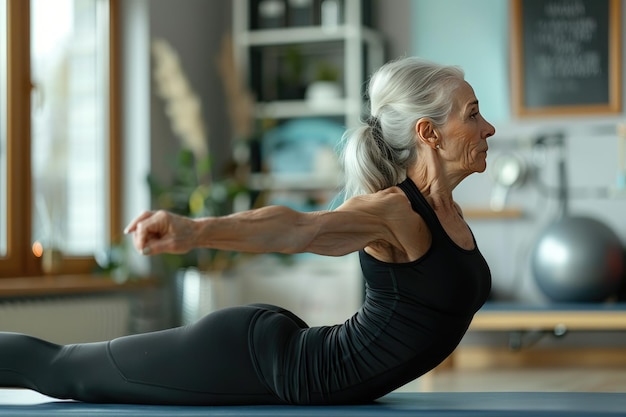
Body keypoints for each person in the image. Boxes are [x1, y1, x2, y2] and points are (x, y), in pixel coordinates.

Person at [0, 57, 495, 405]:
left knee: (63, 369)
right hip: (257, 362)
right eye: (473, 115)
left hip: (287, 348)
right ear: (428, 133)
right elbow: (297, 229)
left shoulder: (446, 211)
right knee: (63, 369)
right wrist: (195, 231)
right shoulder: (394, 213)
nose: (488, 128)